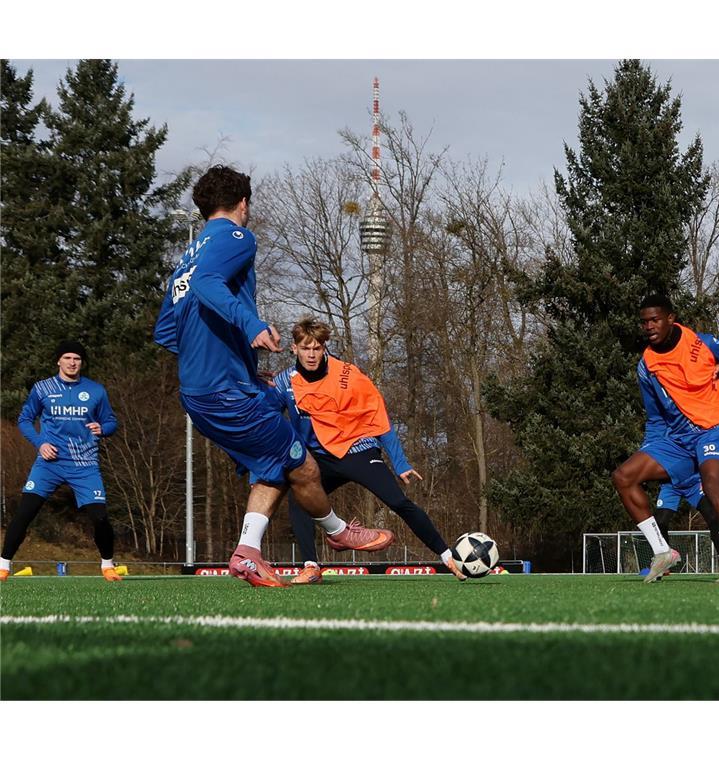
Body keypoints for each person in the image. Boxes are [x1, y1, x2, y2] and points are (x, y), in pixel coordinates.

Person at [153, 165, 391, 588]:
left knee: (273, 461)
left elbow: (167, 330)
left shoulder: (186, 260)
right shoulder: (234, 237)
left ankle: (247, 552)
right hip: (223, 392)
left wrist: (234, 370)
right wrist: (251, 326)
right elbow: (210, 285)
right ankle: (338, 533)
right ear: (243, 203)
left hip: (205, 391)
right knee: (304, 466)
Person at [269, 318, 466, 584]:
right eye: (306, 348)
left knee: (398, 502)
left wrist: (400, 462)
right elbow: (267, 415)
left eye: (317, 348)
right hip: (321, 458)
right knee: (299, 498)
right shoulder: (284, 382)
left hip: (357, 448)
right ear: (294, 349)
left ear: (324, 348)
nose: (312, 354)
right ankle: (311, 567)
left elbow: (378, 417)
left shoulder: (348, 375)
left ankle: (447, 556)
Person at [612, 293, 719, 584]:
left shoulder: (705, 343)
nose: (648, 326)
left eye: (654, 320)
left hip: (715, 429)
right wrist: (651, 451)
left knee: (712, 486)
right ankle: (663, 552)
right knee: (624, 476)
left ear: (671, 319)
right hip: (677, 440)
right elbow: (656, 417)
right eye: (644, 322)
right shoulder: (646, 367)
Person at [2, 342, 121, 582]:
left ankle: (108, 565)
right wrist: (40, 443)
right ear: (59, 361)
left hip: (84, 464)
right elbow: (24, 419)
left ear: (82, 362)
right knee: (24, 513)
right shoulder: (43, 388)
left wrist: (103, 428)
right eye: (67, 357)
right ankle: (3, 566)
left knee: (100, 517)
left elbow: (111, 421)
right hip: (49, 464)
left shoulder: (96, 390)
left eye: (76, 358)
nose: (72, 362)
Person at [654, 475, 719, 575]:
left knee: (713, 518)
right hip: (670, 486)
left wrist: (706, 480)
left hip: (694, 485)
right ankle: (664, 560)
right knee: (660, 522)